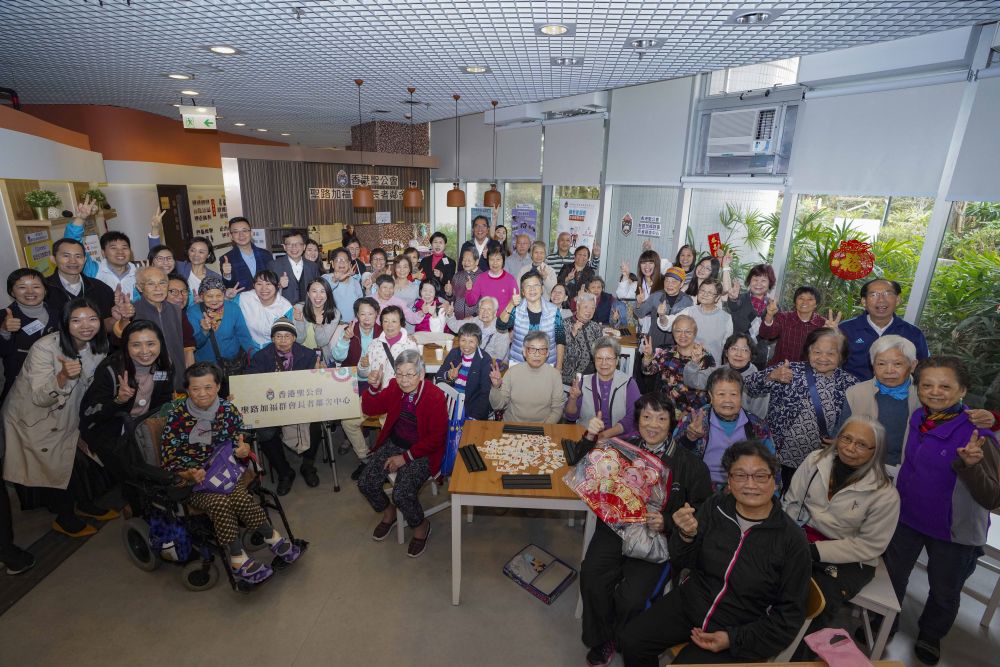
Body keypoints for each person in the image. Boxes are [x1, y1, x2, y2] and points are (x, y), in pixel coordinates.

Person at [618, 440, 811, 666]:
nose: (751, 484)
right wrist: (685, 536)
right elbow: (683, 560)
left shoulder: (791, 540)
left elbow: (788, 618)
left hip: (740, 625)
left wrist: (733, 639)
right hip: (693, 601)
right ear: (729, 481)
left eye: (760, 476)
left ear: (774, 482)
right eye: (740, 475)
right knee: (631, 641)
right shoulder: (716, 506)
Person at [575, 393, 713, 667]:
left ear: (672, 423)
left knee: (632, 597)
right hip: (616, 528)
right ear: (637, 421)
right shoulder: (624, 448)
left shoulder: (690, 464)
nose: (653, 425)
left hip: (656, 539)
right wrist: (589, 437)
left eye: (661, 418)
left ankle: (623, 636)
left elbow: (701, 509)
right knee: (592, 577)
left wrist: (668, 522)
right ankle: (601, 639)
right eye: (646, 417)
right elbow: (583, 468)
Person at [882, 356, 1000, 666]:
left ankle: (931, 635)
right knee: (892, 577)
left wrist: (972, 467)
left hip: (954, 530)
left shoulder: (979, 433)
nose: (935, 392)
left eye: (945, 386)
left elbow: (992, 497)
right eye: (927, 385)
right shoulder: (919, 417)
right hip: (907, 517)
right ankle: (886, 623)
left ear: (963, 390)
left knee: (944, 591)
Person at [160, 362, 301, 584]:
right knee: (220, 503)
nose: (202, 394)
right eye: (195, 389)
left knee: (241, 497)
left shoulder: (227, 409)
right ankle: (237, 558)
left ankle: (271, 537)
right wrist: (187, 473)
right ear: (187, 390)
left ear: (217, 387)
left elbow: (239, 436)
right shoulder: (178, 416)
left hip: (224, 473)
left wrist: (243, 449)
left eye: (208, 387)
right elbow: (168, 456)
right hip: (192, 482)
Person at [783, 415, 900, 642]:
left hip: (848, 557)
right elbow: (791, 502)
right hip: (802, 537)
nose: (850, 448)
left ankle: (799, 655)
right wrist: (790, 538)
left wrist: (816, 551)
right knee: (767, 573)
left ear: (876, 451)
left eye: (862, 444)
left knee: (818, 600)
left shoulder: (885, 494)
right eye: (846, 438)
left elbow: (870, 546)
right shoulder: (815, 461)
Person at [2, 297, 112, 537]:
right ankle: (65, 518)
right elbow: (40, 397)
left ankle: (84, 505)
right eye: (77, 320)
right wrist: (62, 376)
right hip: (36, 418)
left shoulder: (98, 346)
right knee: (58, 468)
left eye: (92, 319)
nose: (86, 326)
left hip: (70, 414)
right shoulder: (45, 348)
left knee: (78, 462)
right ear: (65, 323)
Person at [359, 349, 447, 557]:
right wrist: (372, 388)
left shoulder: (435, 396)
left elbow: (436, 438)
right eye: (399, 374)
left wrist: (404, 458)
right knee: (365, 482)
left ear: (421, 373)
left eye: (410, 374)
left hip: (423, 451)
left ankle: (421, 526)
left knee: (401, 493)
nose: (404, 380)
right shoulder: (394, 387)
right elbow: (371, 409)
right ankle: (389, 513)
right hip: (395, 443)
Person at [745, 327, 858, 489]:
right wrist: (771, 376)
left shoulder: (850, 385)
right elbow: (750, 385)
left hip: (818, 461)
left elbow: (856, 422)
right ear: (808, 351)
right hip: (777, 456)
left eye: (831, 353)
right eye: (817, 352)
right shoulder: (789, 370)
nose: (823, 358)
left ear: (841, 356)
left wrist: (841, 440)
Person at [79, 319, 175, 484]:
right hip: (110, 428)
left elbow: (163, 401)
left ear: (160, 344)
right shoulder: (111, 369)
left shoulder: (164, 366)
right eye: (136, 345)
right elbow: (89, 412)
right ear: (126, 346)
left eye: (151, 344)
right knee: (130, 473)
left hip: (142, 425)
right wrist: (118, 401)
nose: (145, 351)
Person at [247, 318, 324, 494]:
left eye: (287, 336)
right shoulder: (261, 357)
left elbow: (316, 384)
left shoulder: (309, 355)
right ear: (272, 338)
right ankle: (284, 472)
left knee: (315, 422)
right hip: (272, 406)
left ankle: (308, 465)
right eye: (278, 336)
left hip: (301, 404)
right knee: (264, 431)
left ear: (294, 338)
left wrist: (320, 374)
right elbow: (249, 382)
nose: (283, 340)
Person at [673, 368, 775, 487]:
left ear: (741, 396)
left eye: (733, 394)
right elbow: (675, 456)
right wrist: (690, 438)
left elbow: (771, 462)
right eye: (721, 394)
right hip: (701, 487)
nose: (728, 400)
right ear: (711, 396)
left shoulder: (756, 425)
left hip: (744, 488)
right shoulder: (696, 419)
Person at [330, 297, 382, 479]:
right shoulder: (349, 331)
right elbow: (337, 356)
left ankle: (379, 457)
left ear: (377, 314)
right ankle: (365, 457)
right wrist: (345, 338)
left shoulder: (383, 332)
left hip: (376, 383)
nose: (367, 318)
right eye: (362, 314)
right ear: (357, 316)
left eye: (370, 313)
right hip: (351, 381)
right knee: (348, 416)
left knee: (362, 415)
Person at [120, 266, 195, 391]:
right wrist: (124, 319)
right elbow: (119, 341)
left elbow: (187, 343)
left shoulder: (176, 310)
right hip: (147, 379)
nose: (158, 288)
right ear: (139, 287)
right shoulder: (132, 310)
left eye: (162, 282)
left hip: (178, 376)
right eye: (151, 283)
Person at [839, 278, 930, 380]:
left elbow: (924, 368)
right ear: (864, 301)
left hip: (899, 393)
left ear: (898, 300)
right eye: (873, 295)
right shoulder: (845, 329)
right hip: (853, 391)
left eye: (887, 294)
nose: (881, 300)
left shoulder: (913, 333)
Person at [1, 268, 60, 403]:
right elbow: (3, 352)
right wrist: (4, 330)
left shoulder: (58, 314)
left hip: (53, 383)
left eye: (36, 286)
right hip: (19, 387)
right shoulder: (4, 317)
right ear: (12, 292)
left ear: (45, 290)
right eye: (22, 287)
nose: (30, 292)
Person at [564, 336, 641, 439]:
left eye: (609, 358)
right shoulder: (583, 383)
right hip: (587, 439)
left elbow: (632, 419)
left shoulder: (629, 384)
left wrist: (604, 435)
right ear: (594, 360)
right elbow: (571, 416)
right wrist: (572, 399)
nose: (604, 363)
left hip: (619, 441)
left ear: (617, 360)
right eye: (599, 358)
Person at [641, 314, 714, 419]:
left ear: (695, 334)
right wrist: (647, 358)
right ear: (673, 333)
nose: (682, 335)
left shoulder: (704, 357)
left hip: (693, 415)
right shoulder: (666, 353)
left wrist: (688, 412)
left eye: (688, 332)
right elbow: (647, 371)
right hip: (665, 411)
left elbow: (709, 390)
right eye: (678, 331)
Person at [683, 333, 768, 418]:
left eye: (745, 350)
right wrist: (694, 363)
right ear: (726, 353)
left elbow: (757, 417)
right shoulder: (718, 372)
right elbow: (691, 381)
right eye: (734, 348)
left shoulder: (759, 381)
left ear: (751, 356)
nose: (738, 354)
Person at [489, 330, 564, 423]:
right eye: (532, 349)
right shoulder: (512, 372)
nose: (537, 354)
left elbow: (557, 409)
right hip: (512, 426)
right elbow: (498, 406)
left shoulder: (554, 375)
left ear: (547, 353)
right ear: (524, 352)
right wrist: (495, 388)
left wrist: (544, 428)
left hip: (543, 428)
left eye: (542, 349)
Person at [45, 237, 116, 332]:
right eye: (66, 256)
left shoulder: (101, 288)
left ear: (85, 259)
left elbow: (109, 327)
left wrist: (120, 317)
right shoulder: (43, 289)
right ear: (53, 259)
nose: (73, 261)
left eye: (78, 256)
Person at [758, 285, 839, 366]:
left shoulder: (823, 324)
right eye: (801, 298)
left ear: (816, 304)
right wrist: (769, 315)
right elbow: (765, 334)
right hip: (780, 368)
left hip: (808, 372)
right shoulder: (783, 318)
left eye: (810, 299)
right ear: (795, 301)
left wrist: (832, 334)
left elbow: (830, 352)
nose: (805, 302)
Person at [497, 272, 565, 368]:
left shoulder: (554, 310)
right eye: (528, 286)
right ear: (523, 292)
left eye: (536, 285)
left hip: (547, 364)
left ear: (541, 289)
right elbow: (500, 326)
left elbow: (560, 340)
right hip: (519, 363)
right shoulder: (516, 309)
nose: (532, 289)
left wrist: (559, 367)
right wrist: (511, 304)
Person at [661, 277, 733, 363]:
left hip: (711, 367)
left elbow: (727, 348)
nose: (704, 294)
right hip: (687, 363)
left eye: (709, 292)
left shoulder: (726, 318)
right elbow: (669, 324)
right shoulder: (690, 311)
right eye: (702, 291)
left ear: (717, 297)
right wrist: (662, 316)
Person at [188, 275, 255, 365]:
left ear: (223, 295)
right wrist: (204, 331)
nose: (214, 300)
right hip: (206, 366)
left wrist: (253, 357)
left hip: (232, 363)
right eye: (210, 296)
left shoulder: (233, 308)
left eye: (219, 295)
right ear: (202, 296)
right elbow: (195, 344)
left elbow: (244, 336)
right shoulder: (193, 312)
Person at [721, 259, 776, 368]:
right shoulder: (739, 298)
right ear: (749, 281)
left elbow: (774, 335)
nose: (758, 284)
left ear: (770, 283)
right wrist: (733, 298)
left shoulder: (774, 306)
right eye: (755, 279)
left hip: (760, 357)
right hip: (735, 355)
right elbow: (733, 304)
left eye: (763, 280)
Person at [434, 322, 493, 421]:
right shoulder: (454, 353)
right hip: (451, 403)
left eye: (471, 341)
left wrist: (475, 416)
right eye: (463, 340)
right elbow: (438, 376)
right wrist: (448, 376)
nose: (466, 345)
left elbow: (485, 392)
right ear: (458, 340)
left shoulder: (485, 359)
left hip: (472, 407)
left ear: (478, 342)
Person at [237, 269, 293, 352]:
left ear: (277, 286)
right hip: (247, 349)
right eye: (259, 284)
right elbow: (224, 306)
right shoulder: (244, 298)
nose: (264, 288)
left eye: (268, 284)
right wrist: (227, 297)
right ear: (254, 285)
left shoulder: (285, 307)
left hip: (273, 350)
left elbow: (287, 336)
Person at [293, 278, 344, 365]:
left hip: (321, 359)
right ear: (308, 294)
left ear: (328, 294)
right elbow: (299, 340)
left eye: (322, 291)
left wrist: (319, 325)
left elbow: (321, 342)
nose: (318, 296)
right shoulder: (299, 308)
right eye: (314, 291)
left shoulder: (334, 313)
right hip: (300, 357)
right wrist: (300, 322)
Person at [363, 306, 418, 385]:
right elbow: (363, 373)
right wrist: (364, 366)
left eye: (394, 321)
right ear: (381, 323)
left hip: (400, 392)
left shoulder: (410, 345)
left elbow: (416, 371)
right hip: (377, 392)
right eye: (385, 321)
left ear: (401, 324)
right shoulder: (374, 344)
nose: (389, 325)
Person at [634, 267, 692, 342]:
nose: (669, 285)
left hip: (675, 345)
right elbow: (640, 314)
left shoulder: (688, 301)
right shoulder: (655, 296)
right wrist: (639, 303)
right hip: (654, 342)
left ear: (681, 284)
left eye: (674, 282)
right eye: (667, 280)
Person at [445, 295, 508, 364]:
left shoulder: (501, 330)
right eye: (482, 308)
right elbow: (455, 326)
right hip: (473, 361)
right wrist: (450, 315)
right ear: (478, 310)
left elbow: (498, 357)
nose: (485, 312)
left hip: (491, 365)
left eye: (489, 309)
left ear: (495, 313)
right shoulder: (476, 320)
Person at [219, 216, 274, 291]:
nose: (241, 235)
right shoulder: (226, 259)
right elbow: (229, 287)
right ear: (231, 236)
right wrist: (226, 275)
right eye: (236, 232)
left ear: (251, 233)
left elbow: (273, 280)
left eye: (244, 231)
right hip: (242, 300)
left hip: (266, 297)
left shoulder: (265, 254)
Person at [562, 292, 605, 385]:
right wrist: (572, 333)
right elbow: (561, 353)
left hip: (594, 372)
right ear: (577, 307)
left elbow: (601, 350)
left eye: (592, 308)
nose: (589, 311)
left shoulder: (596, 327)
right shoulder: (564, 324)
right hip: (572, 375)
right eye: (585, 307)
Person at [268, 230, 320, 306]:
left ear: (304, 247)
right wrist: (279, 286)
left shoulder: (313, 266)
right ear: (284, 247)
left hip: (308, 311)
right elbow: (266, 293)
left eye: (298, 244)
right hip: (284, 313)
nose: (294, 247)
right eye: (289, 244)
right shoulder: (274, 266)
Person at [617, 250, 664, 332]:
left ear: (656, 264)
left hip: (660, 327)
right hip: (643, 328)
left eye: (650, 263)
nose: (647, 266)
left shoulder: (664, 282)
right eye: (643, 263)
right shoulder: (637, 284)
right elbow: (621, 295)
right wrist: (626, 275)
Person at [466, 245, 518, 314]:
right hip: (485, 319)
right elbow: (471, 303)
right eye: (492, 259)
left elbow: (515, 305)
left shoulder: (510, 279)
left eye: (498, 259)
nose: (495, 263)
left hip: (504, 321)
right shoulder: (481, 278)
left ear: (503, 261)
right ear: (488, 260)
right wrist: (469, 290)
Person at [323, 248, 363, 323]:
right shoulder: (326, 278)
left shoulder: (355, 282)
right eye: (338, 260)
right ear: (332, 264)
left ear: (350, 264)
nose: (342, 263)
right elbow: (322, 291)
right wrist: (335, 279)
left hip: (353, 325)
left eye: (345, 260)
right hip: (333, 326)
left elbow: (360, 304)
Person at [450, 247, 482, 320]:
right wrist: (449, 294)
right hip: (457, 319)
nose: (466, 263)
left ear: (477, 262)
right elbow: (452, 299)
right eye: (464, 260)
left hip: (474, 321)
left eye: (469, 260)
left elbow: (484, 300)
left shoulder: (482, 277)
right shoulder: (457, 276)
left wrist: (474, 316)